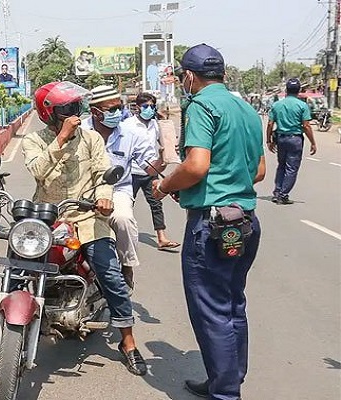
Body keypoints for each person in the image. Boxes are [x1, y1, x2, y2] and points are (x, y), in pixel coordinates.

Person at [152, 43, 266, 400]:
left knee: (211, 310)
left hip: (212, 224)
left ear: (189, 76)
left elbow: (197, 166)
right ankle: (226, 380)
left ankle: (225, 393)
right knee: (232, 304)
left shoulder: (201, 105)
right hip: (244, 219)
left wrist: (165, 186)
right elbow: (259, 171)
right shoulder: (246, 109)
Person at [20, 81, 147, 375]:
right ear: (49, 113)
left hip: (87, 217)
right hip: (48, 217)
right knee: (19, 264)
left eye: (77, 107)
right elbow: (38, 171)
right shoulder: (34, 141)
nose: (75, 114)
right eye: (68, 109)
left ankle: (128, 341)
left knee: (110, 274)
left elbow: (103, 174)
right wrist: (61, 139)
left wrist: (104, 197)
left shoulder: (91, 139)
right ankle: (11, 323)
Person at [83, 85, 164, 292]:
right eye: (112, 110)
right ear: (95, 111)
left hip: (117, 189)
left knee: (123, 219)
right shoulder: (80, 131)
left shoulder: (129, 134)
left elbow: (149, 166)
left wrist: (164, 158)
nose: (117, 114)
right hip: (82, 190)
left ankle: (127, 266)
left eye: (120, 108)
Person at [128, 92, 180, 251]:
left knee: (156, 203)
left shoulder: (155, 125)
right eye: (146, 106)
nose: (149, 109)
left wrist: (165, 124)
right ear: (138, 107)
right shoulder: (128, 125)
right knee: (127, 205)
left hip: (152, 171)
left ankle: (161, 238)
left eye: (152, 106)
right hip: (132, 172)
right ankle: (122, 237)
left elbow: (166, 142)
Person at [267, 78, 317, 204]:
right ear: (299, 90)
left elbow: (270, 123)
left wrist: (269, 140)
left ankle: (277, 192)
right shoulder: (302, 106)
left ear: (286, 90)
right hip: (295, 139)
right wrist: (313, 142)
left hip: (281, 138)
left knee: (282, 166)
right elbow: (306, 126)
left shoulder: (277, 105)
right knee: (291, 168)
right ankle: (283, 195)